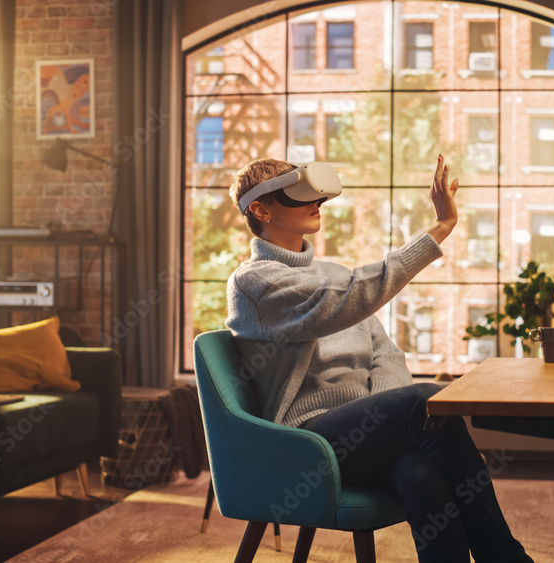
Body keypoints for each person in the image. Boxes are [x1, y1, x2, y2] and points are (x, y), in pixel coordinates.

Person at [225, 155, 532, 563]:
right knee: (424, 399)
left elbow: (385, 354)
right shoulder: (253, 282)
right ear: (261, 210)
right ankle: (507, 558)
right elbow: (349, 300)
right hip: (307, 442)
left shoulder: (336, 274)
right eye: (298, 197)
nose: (316, 203)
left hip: (364, 437)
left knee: (421, 473)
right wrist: (438, 230)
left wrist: (385, 420)